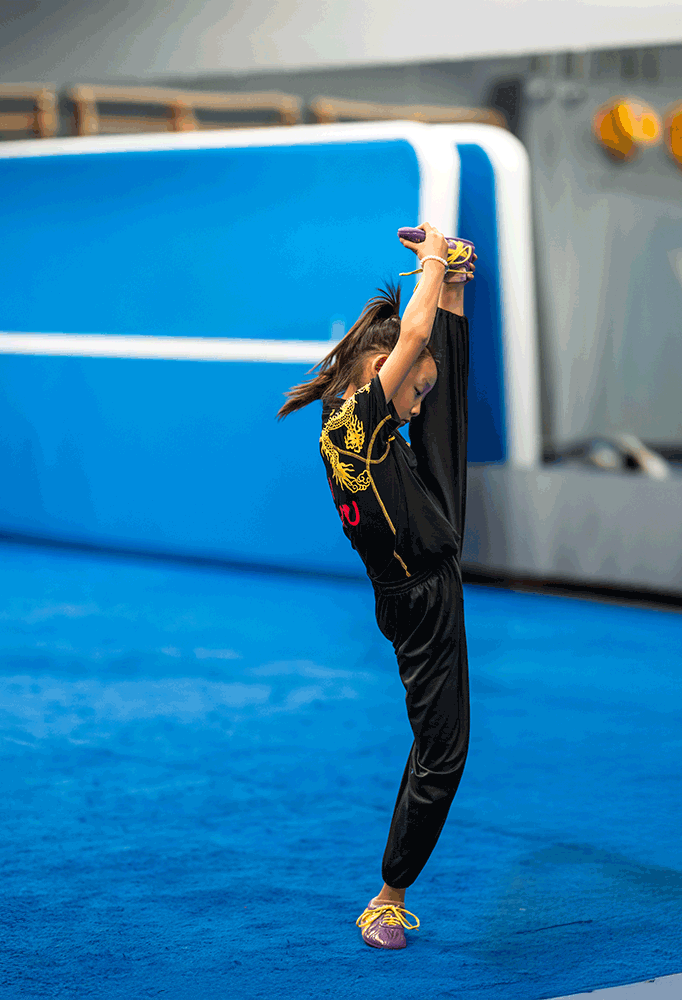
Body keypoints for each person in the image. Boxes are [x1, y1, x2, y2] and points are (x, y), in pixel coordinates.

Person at [276, 223, 475, 949]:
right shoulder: (349, 429)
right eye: (411, 390)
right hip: (417, 595)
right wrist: (430, 262)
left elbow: (429, 360)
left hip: (430, 547)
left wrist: (448, 284)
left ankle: (456, 290)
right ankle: (387, 897)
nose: (416, 406)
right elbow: (413, 336)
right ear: (383, 369)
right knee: (442, 750)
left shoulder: (375, 426)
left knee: (446, 417)